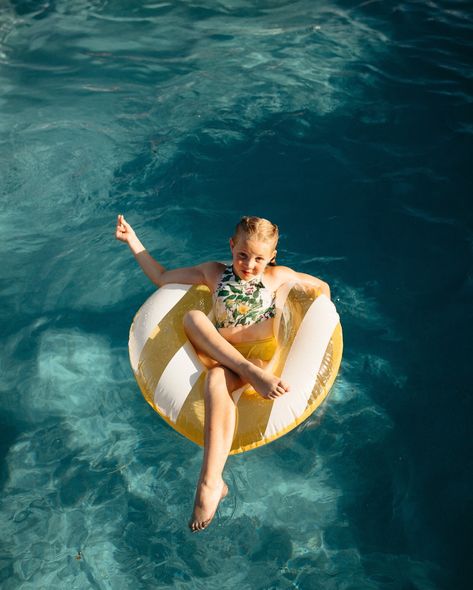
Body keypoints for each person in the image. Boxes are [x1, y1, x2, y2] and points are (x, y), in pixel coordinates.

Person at [115, 214, 330, 532]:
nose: (249, 264)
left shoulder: (279, 277)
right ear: (232, 246)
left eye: (259, 258)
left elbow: (322, 288)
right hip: (220, 358)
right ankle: (212, 482)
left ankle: (209, 484)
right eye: (242, 254)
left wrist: (307, 315)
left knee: (219, 376)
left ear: (272, 257)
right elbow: (161, 277)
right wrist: (132, 240)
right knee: (192, 318)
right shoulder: (212, 273)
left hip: (257, 364)